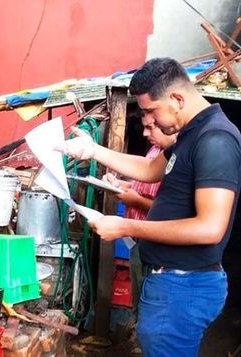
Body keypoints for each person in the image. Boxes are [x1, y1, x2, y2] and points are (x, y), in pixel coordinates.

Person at [57, 57, 241, 356]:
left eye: (150, 111)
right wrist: (93, 150)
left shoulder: (215, 140)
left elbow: (210, 228)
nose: (149, 121)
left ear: (177, 98)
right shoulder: (193, 133)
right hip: (171, 282)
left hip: (185, 285)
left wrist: (126, 226)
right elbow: (149, 169)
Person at [104, 116, 177, 309]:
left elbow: (173, 212)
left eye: (151, 128)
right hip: (137, 238)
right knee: (139, 294)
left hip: (158, 244)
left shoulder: (179, 161)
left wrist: (135, 200)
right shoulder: (155, 151)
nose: (145, 133)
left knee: (152, 300)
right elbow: (145, 186)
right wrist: (121, 185)